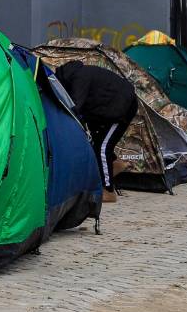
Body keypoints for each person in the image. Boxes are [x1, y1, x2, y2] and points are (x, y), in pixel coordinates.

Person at [54, 60, 138, 204]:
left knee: (103, 147)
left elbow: (75, 107)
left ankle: (108, 191)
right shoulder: (81, 74)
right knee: (97, 141)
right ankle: (115, 164)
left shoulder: (79, 78)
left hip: (122, 108)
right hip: (112, 107)